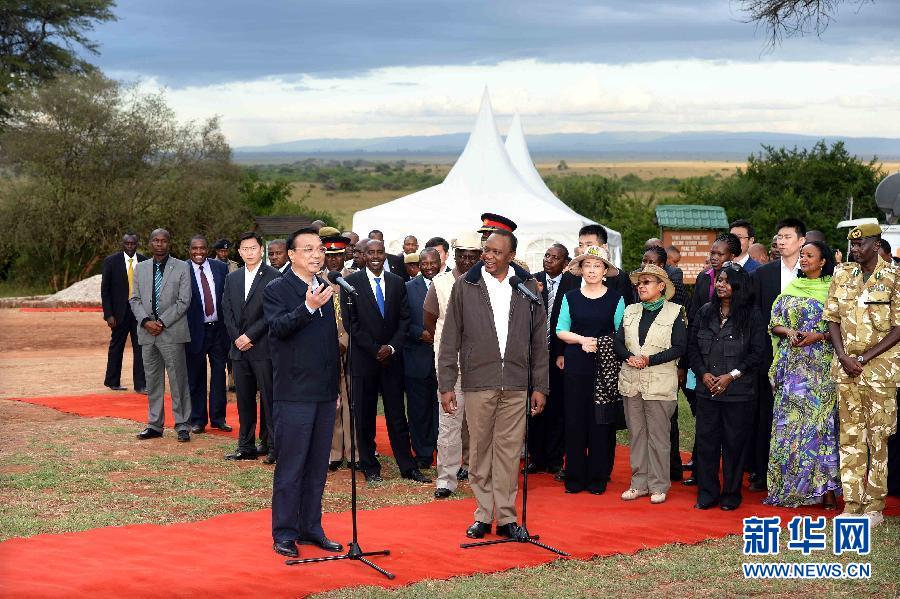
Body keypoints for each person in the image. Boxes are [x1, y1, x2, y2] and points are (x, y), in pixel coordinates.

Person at [439, 229, 549, 539]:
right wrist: (447, 383)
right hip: (478, 382)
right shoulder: (466, 285)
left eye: (496, 252)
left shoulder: (526, 286)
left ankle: (507, 517)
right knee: (480, 450)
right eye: (486, 250)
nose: (488, 256)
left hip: (516, 383)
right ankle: (483, 515)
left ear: (511, 256)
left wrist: (540, 384)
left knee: (509, 452)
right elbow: (450, 338)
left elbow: (540, 340)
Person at [263, 228, 344, 558]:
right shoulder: (277, 289)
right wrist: (307, 308)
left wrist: (335, 387)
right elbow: (278, 329)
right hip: (294, 393)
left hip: (324, 394)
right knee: (292, 466)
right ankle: (284, 532)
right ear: (292, 254)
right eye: (307, 249)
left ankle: (312, 527)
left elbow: (329, 344)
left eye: (320, 249)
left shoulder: (325, 286)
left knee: (316, 467)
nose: (316, 255)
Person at [823, 223, 900, 528]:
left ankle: (874, 507)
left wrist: (864, 358)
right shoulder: (842, 274)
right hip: (846, 370)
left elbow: (898, 328)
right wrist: (844, 356)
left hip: (880, 371)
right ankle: (852, 504)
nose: (855, 250)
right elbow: (831, 318)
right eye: (852, 245)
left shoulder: (894, 277)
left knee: (878, 439)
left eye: (861, 244)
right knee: (850, 437)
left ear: (876, 243)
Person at [340, 239, 429, 484]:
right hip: (364, 360)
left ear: (385, 255)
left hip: (392, 360)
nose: (376, 256)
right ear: (363, 256)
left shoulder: (397, 282)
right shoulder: (350, 284)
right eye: (371, 252)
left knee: (397, 416)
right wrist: (373, 349)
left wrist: (390, 347)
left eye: (380, 252)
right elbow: (351, 323)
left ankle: (407, 466)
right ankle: (369, 466)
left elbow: (404, 319)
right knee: (365, 416)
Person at [764, 241, 840, 508]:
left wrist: (817, 336)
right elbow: (774, 323)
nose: (804, 259)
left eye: (810, 255)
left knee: (820, 427)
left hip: (820, 368)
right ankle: (789, 488)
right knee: (790, 427)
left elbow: (842, 327)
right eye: (802, 255)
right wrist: (789, 332)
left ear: (823, 261)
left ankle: (825, 490)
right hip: (792, 368)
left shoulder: (834, 289)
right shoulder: (792, 287)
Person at [688, 263, 765, 510]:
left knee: (734, 444)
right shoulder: (704, 312)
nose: (720, 285)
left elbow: (757, 353)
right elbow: (692, 348)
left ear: (738, 286)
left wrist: (731, 376)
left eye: (725, 281)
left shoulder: (752, 315)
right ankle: (707, 493)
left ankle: (731, 494)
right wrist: (703, 374)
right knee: (707, 442)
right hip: (707, 390)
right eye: (718, 280)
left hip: (739, 393)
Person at [614, 264, 685, 504]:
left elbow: (679, 347)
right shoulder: (631, 310)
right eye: (640, 283)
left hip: (659, 383)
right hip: (631, 381)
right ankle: (638, 484)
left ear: (661, 286)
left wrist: (649, 359)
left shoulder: (675, 312)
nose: (641, 286)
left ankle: (658, 485)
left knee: (658, 437)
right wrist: (628, 356)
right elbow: (618, 342)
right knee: (637, 435)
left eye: (647, 282)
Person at [556, 246, 624, 494]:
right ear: (580, 269)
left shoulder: (616, 299)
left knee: (601, 420)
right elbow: (560, 330)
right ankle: (574, 476)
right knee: (574, 418)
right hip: (576, 363)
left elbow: (621, 333)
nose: (592, 270)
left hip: (605, 365)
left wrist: (600, 343)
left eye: (597, 266)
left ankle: (598, 477)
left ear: (605, 270)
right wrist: (582, 340)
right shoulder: (570, 297)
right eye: (588, 265)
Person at [749, 218, 807, 492]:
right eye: (778, 237)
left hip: (806, 356)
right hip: (768, 355)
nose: (781, 241)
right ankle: (762, 473)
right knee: (766, 415)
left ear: (801, 241)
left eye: (787, 236)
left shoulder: (814, 272)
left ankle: (799, 475)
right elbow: (757, 315)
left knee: (801, 416)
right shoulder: (763, 274)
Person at [424, 232, 482, 499]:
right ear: (454, 255)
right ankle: (446, 478)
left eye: (473, 256)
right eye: (463, 256)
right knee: (449, 421)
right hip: (450, 364)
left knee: (480, 422)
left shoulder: (489, 282)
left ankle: (478, 472)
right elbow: (430, 322)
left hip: (482, 365)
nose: (468, 261)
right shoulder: (441, 282)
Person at [128, 228, 193, 441]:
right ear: (149, 243)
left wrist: (162, 322)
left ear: (169, 243)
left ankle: (182, 424)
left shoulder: (182, 267)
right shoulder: (141, 268)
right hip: (147, 333)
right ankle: (155, 424)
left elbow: (184, 301)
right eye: (155, 240)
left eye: (163, 241)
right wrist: (146, 322)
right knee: (153, 380)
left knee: (178, 380)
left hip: (172, 332)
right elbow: (134, 299)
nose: (159, 244)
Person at [221, 232, 280, 463]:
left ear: (261, 250)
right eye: (245, 249)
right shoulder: (232, 278)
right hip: (239, 349)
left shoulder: (274, 276)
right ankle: (245, 446)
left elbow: (272, 312)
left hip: (263, 347)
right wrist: (238, 337)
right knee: (244, 399)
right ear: (240, 252)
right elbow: (227, 310)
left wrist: (250, 335)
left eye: (253, 248)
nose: (249, 252)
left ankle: (272, 446)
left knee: (269, 399)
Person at [642, 245, 691, 482]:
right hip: (640, 364)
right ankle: (649, 468)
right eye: (644, 260)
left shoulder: (677, 292)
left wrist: (681, 365)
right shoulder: (639, 288)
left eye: (651, 262)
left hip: (666, 365)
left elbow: (681, 337)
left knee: (667, 419)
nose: (645, 265)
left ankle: (672, 468)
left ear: (662, 266)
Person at [528, 243, 577, 476]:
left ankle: (555, 457)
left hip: (559, 355)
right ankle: (536, 457)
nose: (549, 260)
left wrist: (564, 352)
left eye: (555, 257)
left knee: (557, 407)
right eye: (547, 255)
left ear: (565, 263)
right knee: (536, 407)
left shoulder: (572, 284)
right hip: (534, 354)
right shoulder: (532, 281)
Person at [184, 235, 231, 434]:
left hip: (218, 330)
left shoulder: (220, 268)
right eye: (195, 249)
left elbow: (226, 298)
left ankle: (218, 418)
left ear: (207, 249)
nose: (199, 253)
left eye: (202, 248)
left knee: (219, 375)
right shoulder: (182, 269)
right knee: (196, 376)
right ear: (189, 250)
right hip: (195, 331)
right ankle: (197, 420)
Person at [403, 247, 441, 470]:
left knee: (444, 408)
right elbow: (402, 320)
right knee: (418, 409)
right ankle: (423, 453)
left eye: (432, 263)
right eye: (424, 263)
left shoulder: (451, 285)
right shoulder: (408, 288)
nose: (428, 267)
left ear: (439, 262)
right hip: (416, 357)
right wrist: (420, 333)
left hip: (444, 358)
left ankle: (443, 450)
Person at [321, 234, 355, 471]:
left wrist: (345, 339)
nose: (334, 262)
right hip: (324, 349)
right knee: (332, 402)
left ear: (345, 256)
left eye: (338, 256)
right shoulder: (314, 280)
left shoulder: (354, 280)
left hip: (352, 348)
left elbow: (362, 317)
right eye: (330, 256)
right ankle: (334, 452)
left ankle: (354, 452)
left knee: (352, 400)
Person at [101, 233, 148, 393]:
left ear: (137, 244)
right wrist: (108, 314)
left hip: (139, 312)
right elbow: (105, 290)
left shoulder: (145, 261)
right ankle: (112, 381)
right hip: (118, 313)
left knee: (140, 347)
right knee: (116, 347)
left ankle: (141, 385)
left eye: (133, 243)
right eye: (127, 243)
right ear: (122, 244)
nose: (130, 246)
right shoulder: (111, 261)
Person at [688, 233, 740, 323]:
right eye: (712, 253)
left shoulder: (740, 277)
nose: (714, 258)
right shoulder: (703, 276)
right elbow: (694, 310)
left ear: (732, 256)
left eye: (720, 254)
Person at [577, 224, 634, 304]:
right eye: (580, 245)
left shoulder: (619, 278)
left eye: (589, 245)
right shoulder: (569, 276)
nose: (583, 250)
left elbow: (625, 312)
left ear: (604, 247)